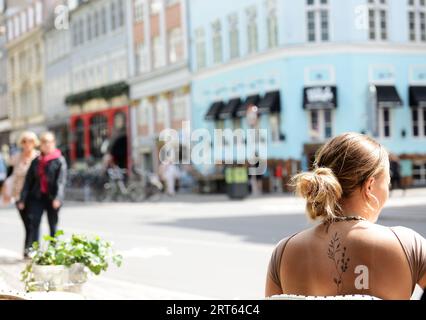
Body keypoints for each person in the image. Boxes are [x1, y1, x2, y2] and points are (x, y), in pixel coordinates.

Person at [265, 133, 426, 300]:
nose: (388, 189)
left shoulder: (284, 252)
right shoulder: (408, 245)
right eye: (387, 182)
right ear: (370, 186)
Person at [18, 132, 67, 248]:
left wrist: (58, 198)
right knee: (34, 224)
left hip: (52, 197)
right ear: (40, 145)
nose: (46, 145)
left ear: (54, 143)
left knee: (53, 225)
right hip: (37, 197)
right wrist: (22, 199)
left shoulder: (59, 160)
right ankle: (35, 250)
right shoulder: (36, 161)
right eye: (44, 142)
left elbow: (61, 181)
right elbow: (28, 181)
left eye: (49, 142)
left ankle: (53, 251)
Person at [1, 132, 39, 258]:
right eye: (24, 141)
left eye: (30, 141)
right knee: (26, 223)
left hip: (33, 195)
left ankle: (29, 249)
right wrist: (5, 191)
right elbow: (8, 175)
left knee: (32, 222)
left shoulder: (37, 157)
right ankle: (29, 249)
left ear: (34, 143)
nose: (27, 144)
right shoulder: (16, 157)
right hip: (18, 195)